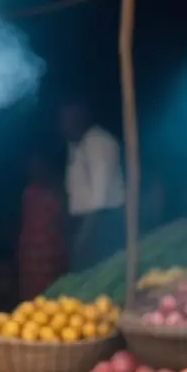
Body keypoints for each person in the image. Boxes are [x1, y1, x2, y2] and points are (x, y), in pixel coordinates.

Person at [59, 104, 125, 272]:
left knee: (101, 272)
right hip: (87, 222)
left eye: (66, 120)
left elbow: (99, 200)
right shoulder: (76, 145)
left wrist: (84, 236)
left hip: (101, 222)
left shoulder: (99, 143)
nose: (62, 126)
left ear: (81, 117)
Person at [18, 153, 67, 301]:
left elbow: (60, 219)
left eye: (39, 167)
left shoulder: (54, 191)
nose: (35, 171)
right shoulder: (28, 192)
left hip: (48, 247)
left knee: (50, 286)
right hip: (31, 246)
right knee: (30, 286)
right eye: (32, 168)